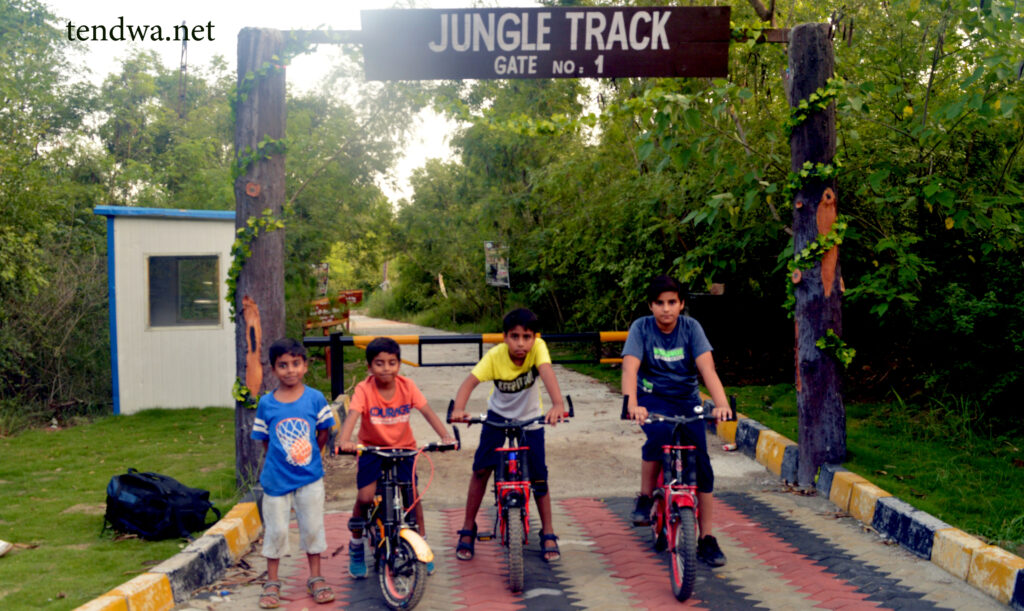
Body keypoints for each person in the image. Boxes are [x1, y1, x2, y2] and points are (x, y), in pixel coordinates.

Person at [621, 275, 734, 567]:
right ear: (651, 305)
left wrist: (721, 405)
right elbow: (630, 369)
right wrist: (632, 404)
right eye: (659, 303)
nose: (666, 309)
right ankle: (646, 497)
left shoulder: (691, 328)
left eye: (672, 302)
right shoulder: (641, 328)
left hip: (687, 401)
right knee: (658, 436)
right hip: (652, 400)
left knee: (703, 466)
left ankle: (706, 537)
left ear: (682, 304)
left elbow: (707, 369)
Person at [449, 308, 566, 563]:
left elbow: (546, 372)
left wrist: (557, 404)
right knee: (481, 470)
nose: (521, 343)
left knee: (539, 476)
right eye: (514, 336)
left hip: (530, 418)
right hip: (497, 417)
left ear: (535, 337)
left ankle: (548, 531)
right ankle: (468, 528)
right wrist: (459, 409)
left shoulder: (539, 349)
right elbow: (469, 383)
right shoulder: (495, 356)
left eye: (527, 336)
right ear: (504, 337)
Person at [336, 337, 455, 579]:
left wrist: (445, 436)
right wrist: (344, 441)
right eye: (379, 363)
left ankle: (421, 543)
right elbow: (353, 415)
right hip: (372, 449)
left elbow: (427, 411)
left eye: (392, 362)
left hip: (404, 449)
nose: (386, 368)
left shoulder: (407, 386)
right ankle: (356, 545)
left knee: (411, 494)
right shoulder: (364, 389)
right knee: (365, 497)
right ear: (369, 367)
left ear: (399, 364)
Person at [251, 338, 336, 609]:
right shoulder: (266, 403)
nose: (290, 371)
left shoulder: (315, 398)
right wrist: (282, 459)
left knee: (312, 528)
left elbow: (324, 432)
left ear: (305, 366)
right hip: (276, 480)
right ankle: (272, 582)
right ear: (273, 370)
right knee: (276, 531)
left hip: (310, 478)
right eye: (283, 365)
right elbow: (267, 440)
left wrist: (311, 455)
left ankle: (316, 577)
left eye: (296, 364)